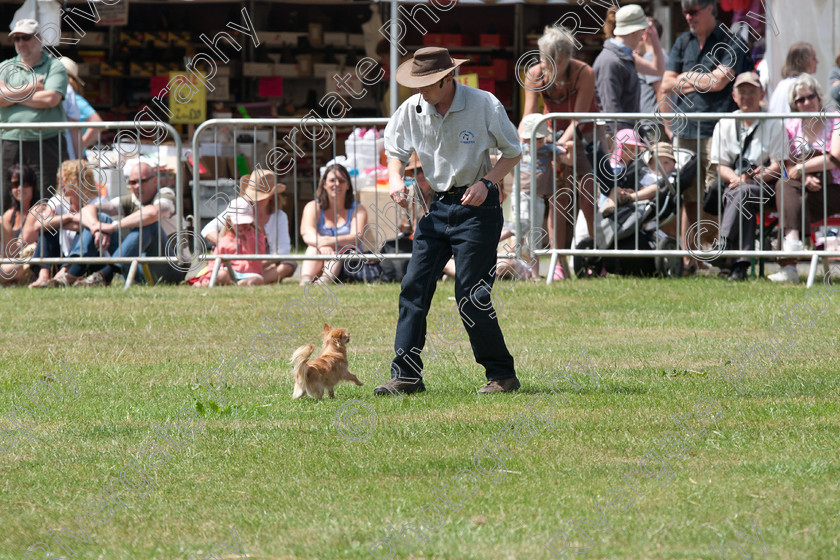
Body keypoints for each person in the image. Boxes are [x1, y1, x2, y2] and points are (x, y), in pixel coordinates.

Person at [375, 47, 522, 396]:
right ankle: (406, 376)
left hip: (478, 210)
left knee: (471, 295)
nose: (419, 91)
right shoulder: (411, 110)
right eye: (416, 83)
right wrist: (395, 178)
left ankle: (502, 375)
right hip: (436, 207)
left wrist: (488, 183)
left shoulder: (485, 104)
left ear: (446, 78)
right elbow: (394, 151)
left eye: (426, 84)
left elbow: (513, 151)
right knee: (413, 286)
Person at [661, 0, 746, 274]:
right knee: (688, 195)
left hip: (717, 129)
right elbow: (666, 83)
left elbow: (720, 82)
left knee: (714, 195)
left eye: (693, 11)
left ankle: (717, 257)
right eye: (685, 12)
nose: (688, 17)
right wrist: (701, 79)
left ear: (711, 8)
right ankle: (689, 260)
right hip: (685, 130)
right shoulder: (682, 42)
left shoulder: (731, 41)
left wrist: (686, 79)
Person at [521, 25, 620, 242]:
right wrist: (524, 141)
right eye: (547, 65)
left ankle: (596, 251)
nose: (551, 71)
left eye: (557, 65)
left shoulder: (585, 72)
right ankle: (559, 262)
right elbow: (528, 116)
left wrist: (559, 145)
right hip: (552, 131)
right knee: (558, 197)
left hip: (586, 133)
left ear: (567, 58)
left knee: (587, 192)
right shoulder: (534, 74)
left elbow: (578, 119)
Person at [709, 72, 786, 281]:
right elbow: (719, 165)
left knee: (741, 193)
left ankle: (724, 245)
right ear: (734, 96)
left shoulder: (774, 122)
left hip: (766, 185)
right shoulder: (725, 123)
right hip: (735, 183)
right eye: (742, 92)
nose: (747, 97)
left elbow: (778, 166)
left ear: (761, 94)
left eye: (752, 92)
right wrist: (737, 179)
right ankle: (739, 267)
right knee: (741, 195)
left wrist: (753, 178)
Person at [772, 74, 840, 283]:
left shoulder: (835, 118)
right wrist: (803, 177)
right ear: (795, 105)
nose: (807, 102)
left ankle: (789, 263)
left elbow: (835, 158)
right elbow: (786, 166)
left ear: (818, 97)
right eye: (800, 100)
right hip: (801, 189)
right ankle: (792, 245)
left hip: (834, 188)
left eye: (810, 97)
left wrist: (802, 169)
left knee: (788, 200)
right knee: (787, 191)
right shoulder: (791, 126)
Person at [72, 159, 178, 287]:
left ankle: (105, 274)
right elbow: (88, 208)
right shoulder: (131, 200)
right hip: (136, 269)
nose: (137, 186)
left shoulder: (165, 194)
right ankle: (71, 273)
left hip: (170, 268)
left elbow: (154, 213)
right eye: (133, 182)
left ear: (155, 181)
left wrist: (113, 227)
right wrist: (96, 227)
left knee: (149, 223)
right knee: (101, 217)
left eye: (142, 181)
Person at [0, 19, 68, 203]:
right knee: (7, 199)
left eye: (26, 37)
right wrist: (31, 88)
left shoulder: (55, 66)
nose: (21, 43)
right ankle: (10, 232)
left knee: (48, 199)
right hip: (10, 140)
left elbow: (50, 99)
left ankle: (44, 233)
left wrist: (11, 95)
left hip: (46, 141)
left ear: (39, 39)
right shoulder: (4, 67)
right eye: (17, 39)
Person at [23, 159, 108, 287]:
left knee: (82, 230)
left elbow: (93, 226)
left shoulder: (98, 202)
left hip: (91, 257)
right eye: (60, 179)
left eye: (66, 179)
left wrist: (61, 222)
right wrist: (70, 218)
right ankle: (43, 275)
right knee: (48, 229)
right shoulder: (58, 201)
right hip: (63, 254)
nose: (61, 183)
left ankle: (64, 274)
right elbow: (38, 225)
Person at [202, 169, 296, 283]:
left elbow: (283, 251)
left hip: (264, 263)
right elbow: (207, 229)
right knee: (222, 271)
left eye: (260, 196)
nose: (255, 200)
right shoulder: (239, 207)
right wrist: (229, 245)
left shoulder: (280, 216)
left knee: (289, 265)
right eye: (253, 195)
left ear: (271, 196)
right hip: (232, 262)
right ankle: (245, 279)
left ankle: (248, 280)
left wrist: (257, 262)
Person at [593, 4, 664, 135]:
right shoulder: (611, 61)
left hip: (625, 134)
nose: (644, 34)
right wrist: (626, 142)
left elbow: (658, 71)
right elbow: (611, 109)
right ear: (634, 31)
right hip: (616, 137)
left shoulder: (625, 57)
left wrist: (655, 39)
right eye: (643, 30)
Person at [299, 163, 368, 285]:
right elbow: (306, 233)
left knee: (338, 252)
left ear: (348, 185)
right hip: (320, 253)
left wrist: (329, 242)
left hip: (348, 262)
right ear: (324, 184)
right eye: (332, 180)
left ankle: (324, 281)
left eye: (341, 181)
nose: (336, 184)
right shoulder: (313, 206)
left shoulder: (358, 209)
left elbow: (356, 237)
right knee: (312, 248)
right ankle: (305, 280)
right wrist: (322, 245)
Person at [190, 198, 266, 287]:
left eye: (245, 223)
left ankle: (240, 284)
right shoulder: (225, 240)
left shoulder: (258, 236)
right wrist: (208, 276)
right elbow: (214, 262)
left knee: (258, 280)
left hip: (249, 273)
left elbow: (258, 252)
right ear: (230, 221)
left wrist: (249, 238)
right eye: (238, 223)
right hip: (230, 272)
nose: (242, 227)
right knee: (221, 275)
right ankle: (222, 282)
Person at [0, 163, 38, 284]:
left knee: (13, 267)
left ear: (33, 185)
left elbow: (17, 249)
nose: (20, 188)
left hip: (23, 265)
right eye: (15, 184)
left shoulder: (38, 210)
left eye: (25, 183)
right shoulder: (10, 214)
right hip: (6, 263)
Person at [59, 57, 103, 158]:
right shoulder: (70, 96)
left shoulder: (71, 98)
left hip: (73, 156)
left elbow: (97, 123)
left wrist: (80, 145)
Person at [768, 42, 818, 116]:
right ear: (803, 61)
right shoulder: (800, 86)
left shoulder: (782, 84)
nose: (817, 61)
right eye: (813, 58)